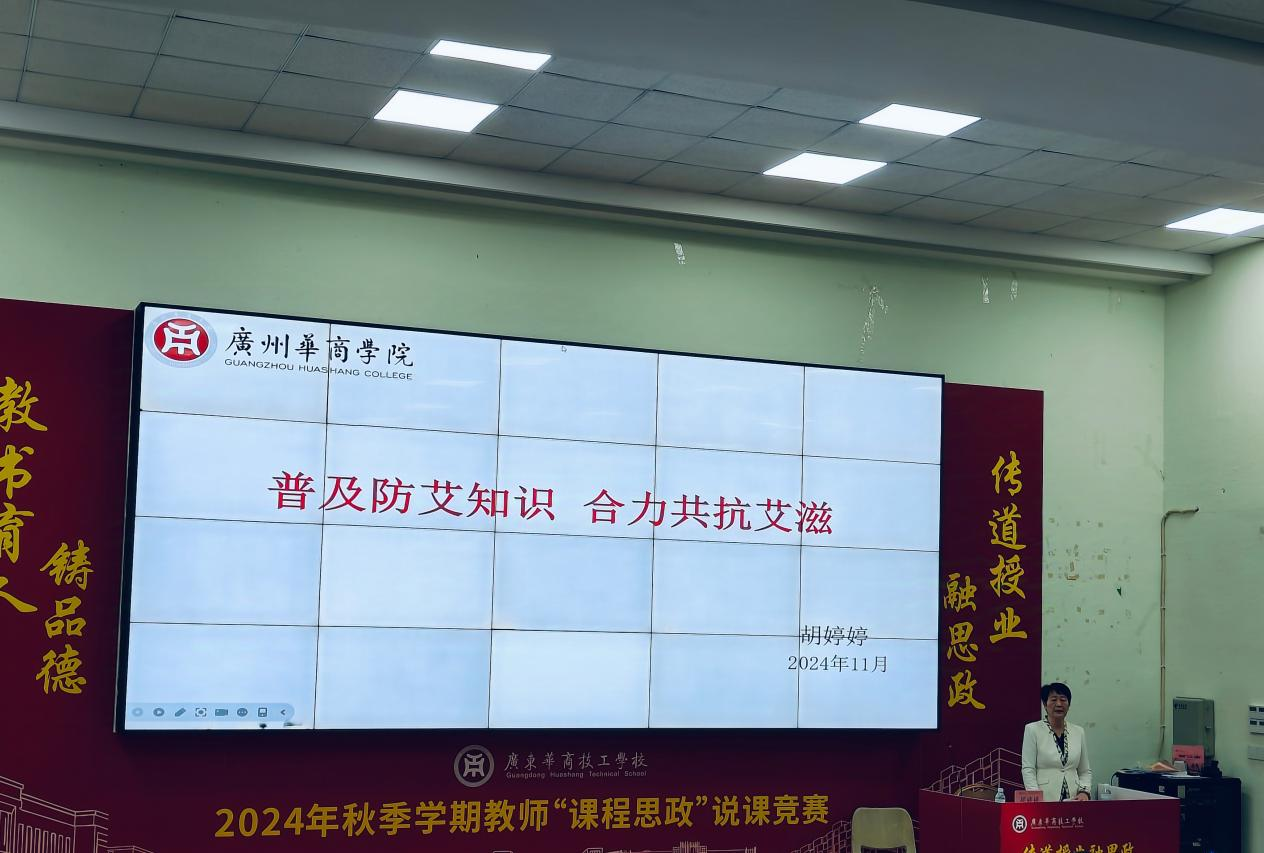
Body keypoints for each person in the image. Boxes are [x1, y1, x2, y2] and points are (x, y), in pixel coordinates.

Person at [1021, 682, 1092, 801]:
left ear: (1069, 705)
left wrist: (1084, 792)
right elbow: (1028, 769)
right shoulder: (1032, 729)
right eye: (1054, 700)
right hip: (1045, 800)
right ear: (1045, 704)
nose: (1059, 704)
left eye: (1063, 700)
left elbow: (1085, 770)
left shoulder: (1079, 731)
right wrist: (1036, 798)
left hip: (1074, 799)